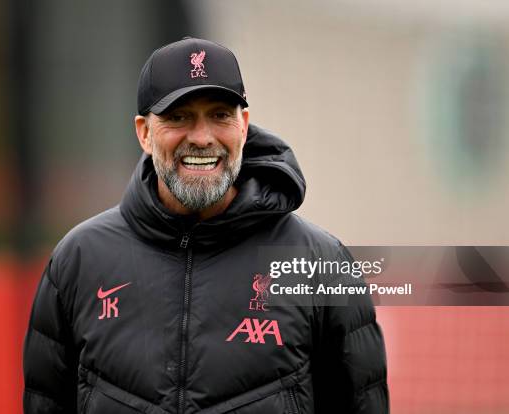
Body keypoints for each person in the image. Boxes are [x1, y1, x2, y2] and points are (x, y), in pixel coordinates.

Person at [23, 37, 389, 414]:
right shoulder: (77, 262)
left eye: (219, 114)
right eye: (178, 117)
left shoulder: (320, 264)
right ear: (144, 133)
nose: (201, 137)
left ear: (243, 126)